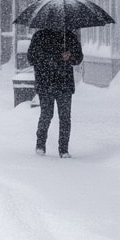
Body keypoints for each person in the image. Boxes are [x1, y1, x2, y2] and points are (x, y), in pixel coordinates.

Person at [27, 27, 83, 157]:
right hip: (46, 83)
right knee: (47, 115)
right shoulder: (39, 37)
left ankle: (64, 149)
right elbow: (31, 58)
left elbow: (78, 57)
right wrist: (53, 58)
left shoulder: (69, 36)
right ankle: (40, 145)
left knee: (65, 117)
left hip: (64, 83)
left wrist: (70, 56)